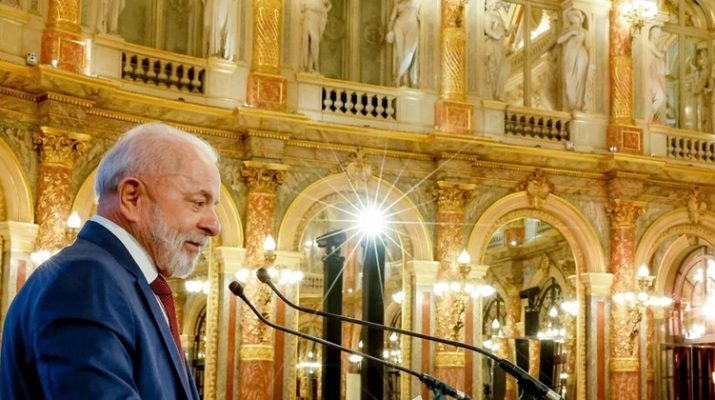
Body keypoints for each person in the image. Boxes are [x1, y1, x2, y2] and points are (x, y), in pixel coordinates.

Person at [0, 123, 221, 399]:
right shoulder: (85, 281)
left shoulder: (122, 281)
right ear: (132, 197)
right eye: (198, 202)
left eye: (213, 207)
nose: (214, 225)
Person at [557, 8, 589, 112]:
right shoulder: (567, 30)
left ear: (579, 18)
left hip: (580, 55)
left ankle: (578, 105)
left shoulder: (584, 32)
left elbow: (589, 46)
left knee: (580, 79)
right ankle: (571, 105)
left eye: (574, 16)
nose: (572, 19)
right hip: (569, 56)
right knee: (568, 80)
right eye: (571, 17)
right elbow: (559, 41)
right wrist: (570, 34)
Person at [386, 0, 420, 87]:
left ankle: (399, 77)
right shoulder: (398, 3)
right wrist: (390, 32)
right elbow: (391, 20)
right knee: (401, 54)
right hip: (399, 27)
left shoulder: (418, 2)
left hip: (412, 27)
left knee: (409, 53)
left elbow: (421, 18)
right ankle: (405, 81)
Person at [484, 0, 512, 101]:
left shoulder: (497, 16)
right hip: (493, 45)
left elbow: (505, 33)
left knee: (501, 68)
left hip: (500, 47)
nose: (500, 4)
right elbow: (487, 30)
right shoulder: (487, 15)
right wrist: (497, 36)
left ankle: (497, 94)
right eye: (498, 2)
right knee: (493, 68)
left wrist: (511, 29)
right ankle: (492, 94)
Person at [301, 0, 331, 73]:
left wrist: (325, 10)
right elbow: (304, 6)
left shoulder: (321, 5)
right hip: (310, 15)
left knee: (315, 41)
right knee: (312, 40)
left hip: (317, 17)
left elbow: (328, 4)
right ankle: (313, 66)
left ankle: (311, 66)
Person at [648, 26, 667, 124]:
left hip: (653, 75)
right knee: (659, 97)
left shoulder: (653, 45)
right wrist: (664, 50)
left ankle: (651, 116)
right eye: (658, 33)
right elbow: (660, 55)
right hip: (650, 76)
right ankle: (649, 115)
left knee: (660, 97)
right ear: (653, 33)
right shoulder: (649, 44)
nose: (659, 35)